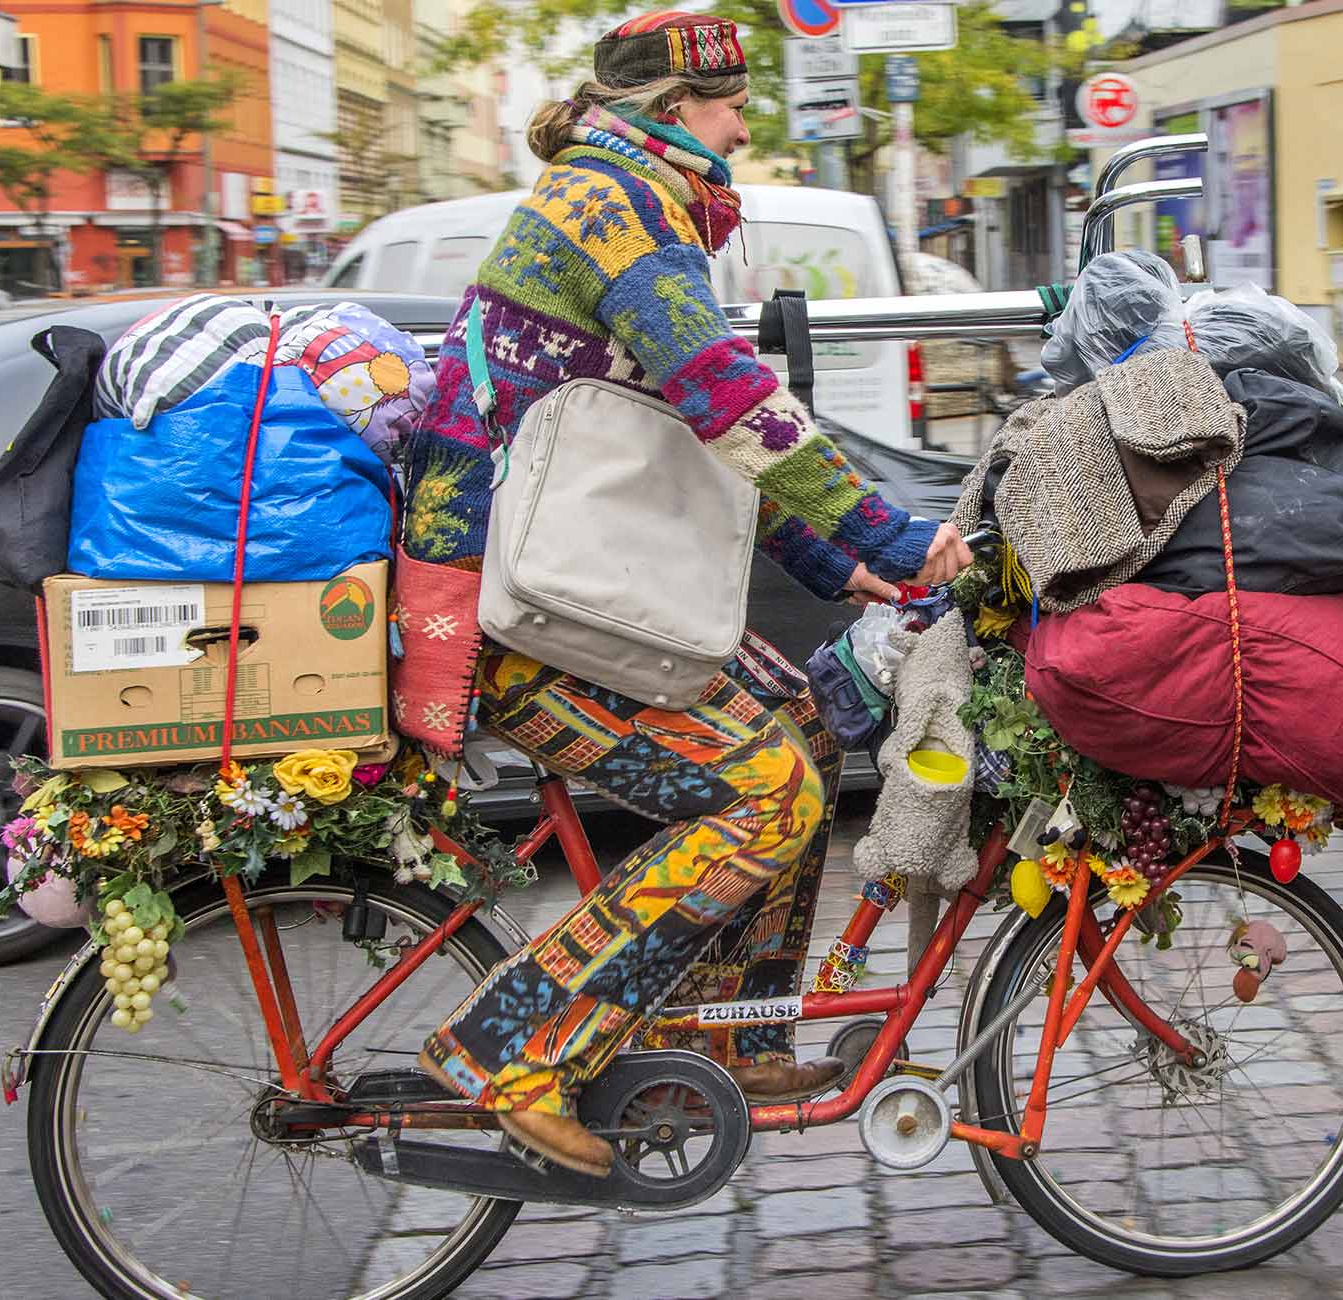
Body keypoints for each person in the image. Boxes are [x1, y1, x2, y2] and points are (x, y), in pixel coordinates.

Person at [406, 10, 973, 1175]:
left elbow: (681, 435)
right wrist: (887, 531)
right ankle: (505, 1045)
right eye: (728, 107)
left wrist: (834, 562)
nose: (743, 125)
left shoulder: (632, 197)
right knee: (763, 794)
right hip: (510, 605)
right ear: (672, 112)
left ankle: (732, 1031)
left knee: (807, 726)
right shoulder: (610, 207)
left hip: (565, 575)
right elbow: (720, 394)